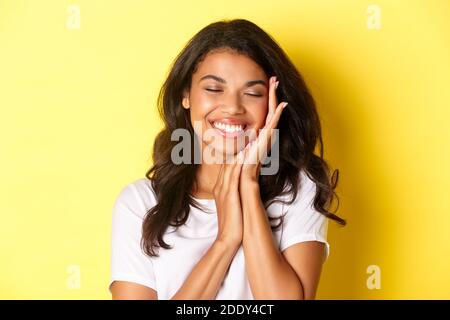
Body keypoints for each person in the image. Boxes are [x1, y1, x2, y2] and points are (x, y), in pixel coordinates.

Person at [109, 18, 346, 300]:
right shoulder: (140, 203)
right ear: (186, 94)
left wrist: (247, 186)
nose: (232, 107)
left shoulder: (298, 188)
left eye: (252, 93)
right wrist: (226, 241)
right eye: (213, 89)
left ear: (272, 103)